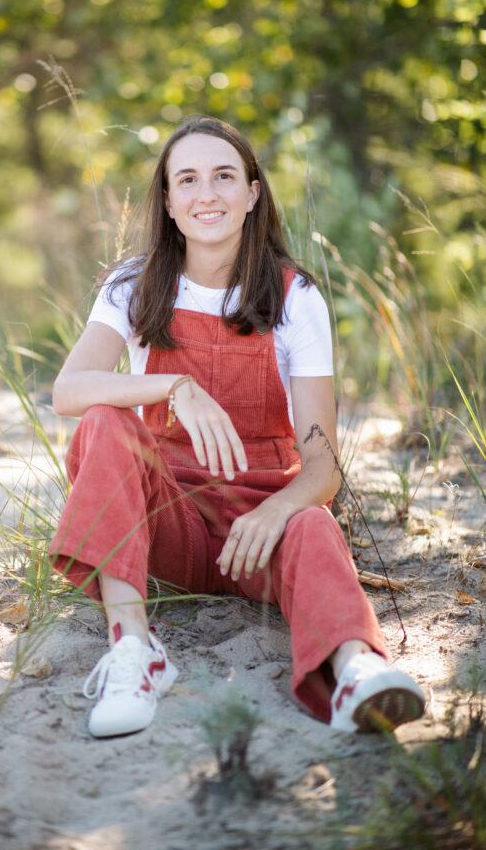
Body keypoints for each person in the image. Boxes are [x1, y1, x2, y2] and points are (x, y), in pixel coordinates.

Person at [49, 115, 425, 739]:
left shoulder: (295, 297)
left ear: (252, 193)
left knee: (312, 521)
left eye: (224, 176)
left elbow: (323, 463)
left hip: (260, 532)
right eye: (187, 180)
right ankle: (134, 650)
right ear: (168, 202)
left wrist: (278, 510)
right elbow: (69, 390)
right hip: (166, 522)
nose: (207, 194)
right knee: (106, 422)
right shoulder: (131, 286)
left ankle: (358, 669)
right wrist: (174, 387)